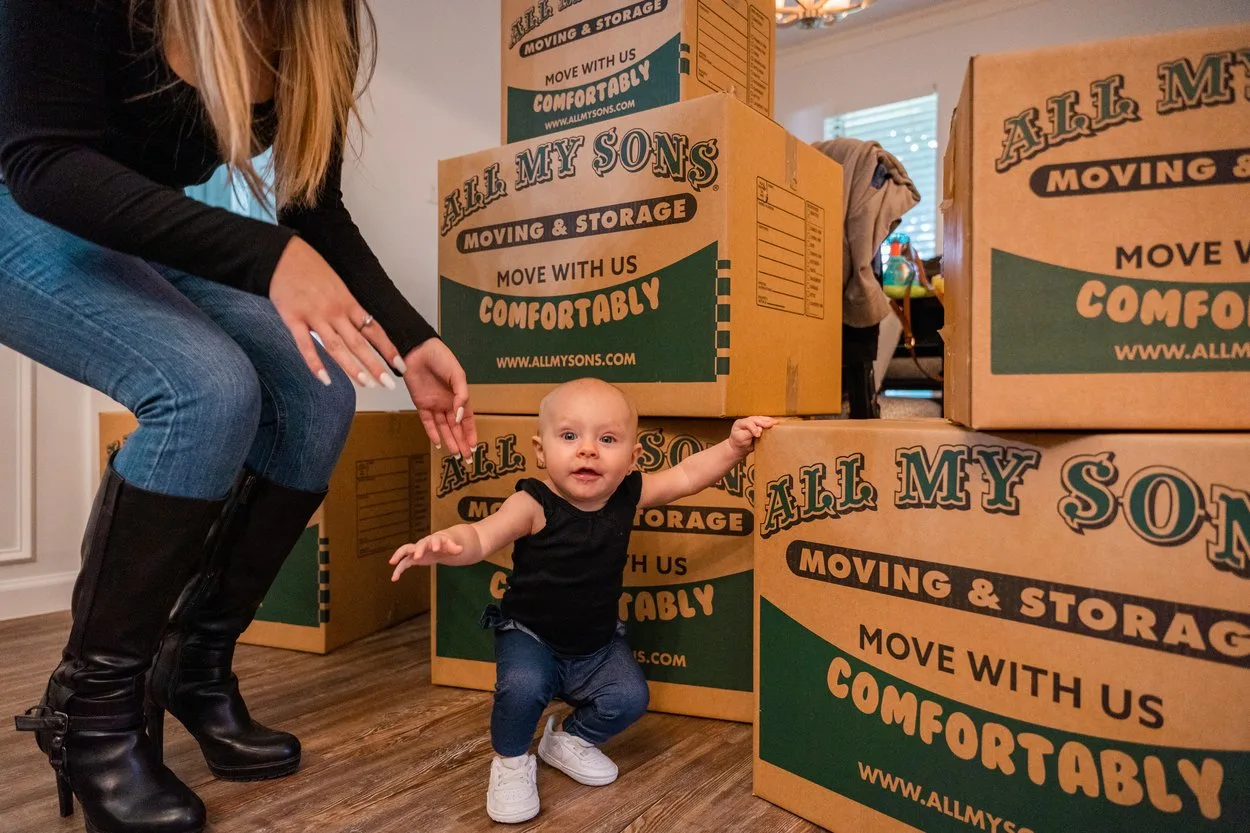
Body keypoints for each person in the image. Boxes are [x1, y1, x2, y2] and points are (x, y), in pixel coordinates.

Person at [0, 2, 477, 832]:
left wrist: (413, 341)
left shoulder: (326, 19)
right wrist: (268, 256)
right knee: (205, 388)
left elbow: (310, 205)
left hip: (137, 225)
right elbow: (43, 160)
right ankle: (91, 714)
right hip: (21, 200)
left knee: (317, 395)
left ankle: (194, 663)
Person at [389, 378, 775, 824]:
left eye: (607, 439)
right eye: (570, 436)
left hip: (596, 644)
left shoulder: (626, 494)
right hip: (531, 636)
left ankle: (568, 738)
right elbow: (481, 535)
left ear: (632, 458)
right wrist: (447, 544)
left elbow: (686, 477)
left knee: (631, 697)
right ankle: (511, 762)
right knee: (522, 687)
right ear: (541, 450)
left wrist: (733, 447)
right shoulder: (532, 504)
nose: (588, 450)